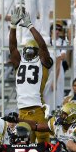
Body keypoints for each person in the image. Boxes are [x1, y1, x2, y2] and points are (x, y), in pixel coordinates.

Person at [9, 8, 53, 143]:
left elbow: (43, 45)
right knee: (24, 145)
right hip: (22, 110)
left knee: (43, 146)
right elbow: (12, 47)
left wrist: (30, 26)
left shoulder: (43, 62)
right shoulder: (19, 62)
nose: (28, 53)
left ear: (37, 52)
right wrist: (13, 26)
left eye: (31, 50)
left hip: (38, 109)